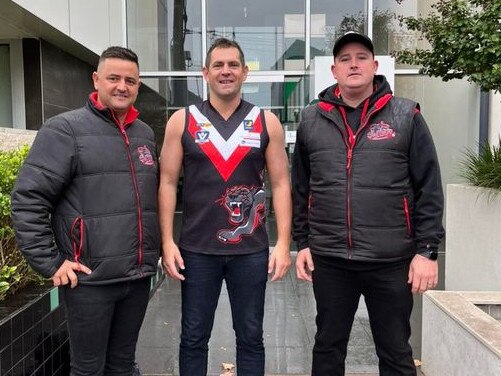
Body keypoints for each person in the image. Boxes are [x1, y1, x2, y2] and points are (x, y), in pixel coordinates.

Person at [292, 32, 444, 376]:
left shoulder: (406, 115)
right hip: (330, 261)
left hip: (390, 261)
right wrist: (302, 243)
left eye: (361, 57)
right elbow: (301, 188)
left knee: (394, 352)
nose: (354, 64)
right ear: (334, 71)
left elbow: (429, 188)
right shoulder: (311, 120)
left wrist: (428, 250)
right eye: (345, 59)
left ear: (375, 66)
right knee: (328, 349)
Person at [11, 46, 160, 376]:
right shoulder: (64, 129)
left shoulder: (145, 135)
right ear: (96, 79)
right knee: (88, 369)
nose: (122, 86)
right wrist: (50, 262)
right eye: (113, 78)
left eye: (130, 80)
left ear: (138, 86)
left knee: (122, 365)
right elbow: (27, 200)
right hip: (89, 280)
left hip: (136, 278)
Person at [159, 37, 292, 376]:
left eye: (233, 65)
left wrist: (284, 245)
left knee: (250, 337)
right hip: (196, 249)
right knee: (192, 337)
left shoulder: (266, 122)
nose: (226, 71)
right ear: (205, 72)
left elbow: (280, 184)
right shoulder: (182, 120)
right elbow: (167, 182)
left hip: (250, 250)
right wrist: (167, 241)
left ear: (245, 72)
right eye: (218, 65)